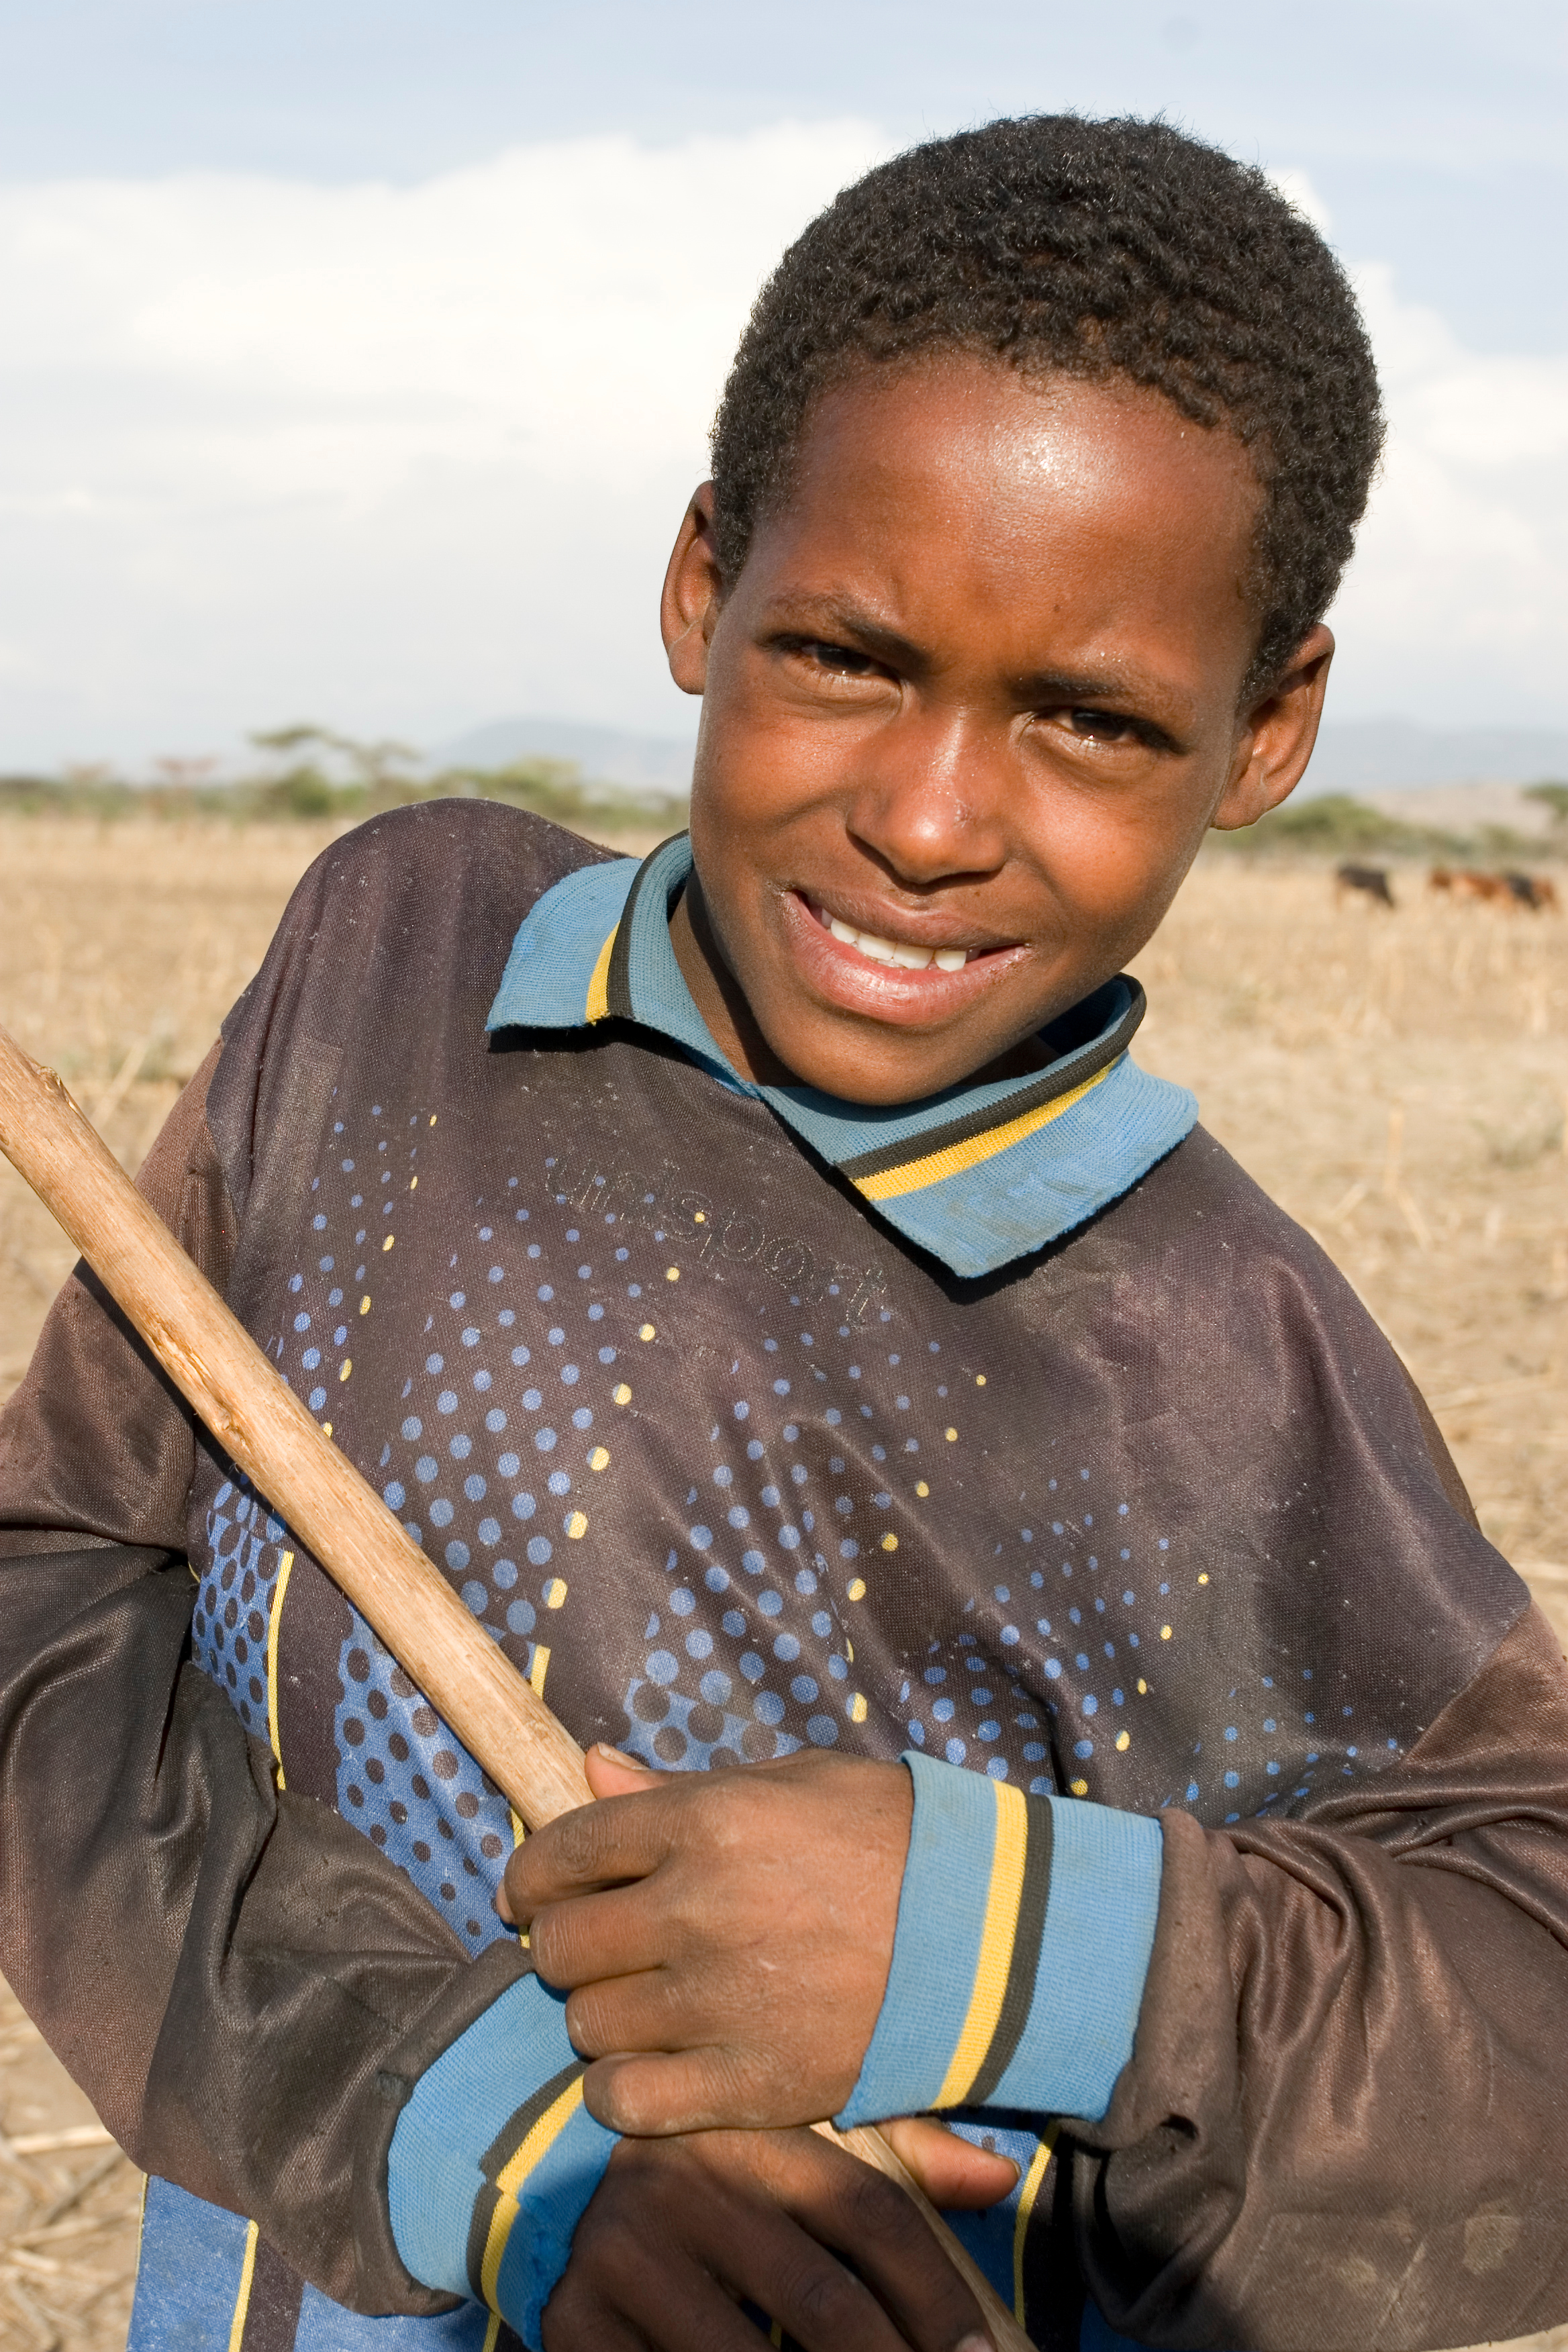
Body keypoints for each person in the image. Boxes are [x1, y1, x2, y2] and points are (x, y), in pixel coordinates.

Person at [2, 111, 1565, 2352]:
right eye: (843, 654)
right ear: (699, 582)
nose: (929, 819)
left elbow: (1530, 2004)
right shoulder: (398, 960)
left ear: (1266, 729)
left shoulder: (1217, 1349)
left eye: (1093, 720)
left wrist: (987, 1942)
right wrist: (477, 2133)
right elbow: (48, 1585)